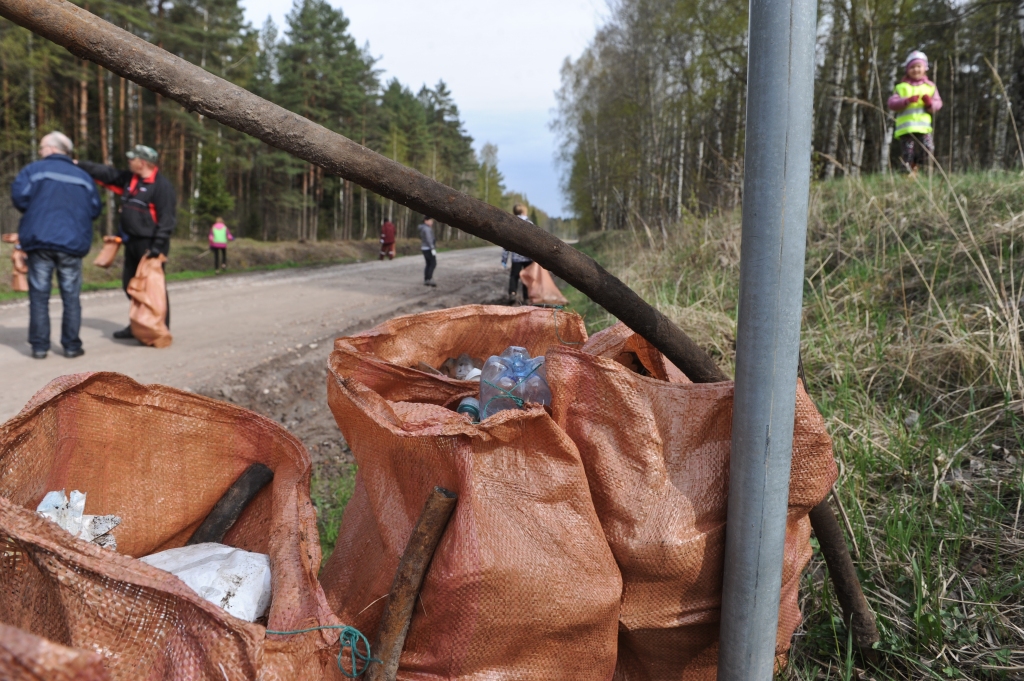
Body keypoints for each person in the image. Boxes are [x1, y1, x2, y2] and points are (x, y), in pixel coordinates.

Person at [11, 131, 101, 359]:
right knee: (71, 296)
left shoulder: (33, 170)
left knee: (39, 296)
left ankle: (40, 348)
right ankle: (71, 346)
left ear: (51, 149)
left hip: (39, 241)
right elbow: (94, 209)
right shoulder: (83, 177)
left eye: (42, 148)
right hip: (72, 243)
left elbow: (19, 198)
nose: (40, 152)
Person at [79, 144, 176, 339]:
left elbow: (167, 220)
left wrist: (157, 247)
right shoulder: (130, 179)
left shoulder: (161, 186)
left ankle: (158, 329)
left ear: (143, 163)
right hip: (131, 242)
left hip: (151, 244)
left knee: (153, 288)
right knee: (129, 285)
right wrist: (78, 164)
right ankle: (139, 323)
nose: (129, 161)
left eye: (132, 159)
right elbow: (107, 173)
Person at [888, 50, 943, 173]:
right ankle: (907, 174)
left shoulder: (930, 87)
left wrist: (929, 103)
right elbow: (891, 103)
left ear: (925, 68)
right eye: (912, 67)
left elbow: (938, 104)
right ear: (907, 69)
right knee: (908, 153)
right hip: (906, 128)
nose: (916, 69)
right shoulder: (901, 87)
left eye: (919, 66)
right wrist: (906, 101)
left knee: (929, 149)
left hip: (923, 128)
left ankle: (915, 166)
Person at [501, 204, 534, 302]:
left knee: (514, 276)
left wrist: (504, 259)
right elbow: (534, 242)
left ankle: (512, 293)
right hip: (528, 257)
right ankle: (526, 297)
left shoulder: (510, 224)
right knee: (527, 276)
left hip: (516, 257)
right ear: (524, 212)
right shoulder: (530, 223)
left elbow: (506, 242)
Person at [417, 216, 437, 286]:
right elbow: (429, 239)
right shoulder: (427, 229)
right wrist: (432, 248)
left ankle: (426, 279)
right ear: (426, 221)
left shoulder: (423, 228)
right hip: (428, 248)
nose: (432, 222)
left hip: (424, 248)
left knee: (428, 264)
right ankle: (430, 279)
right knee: (433, 263)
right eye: (430, 220)